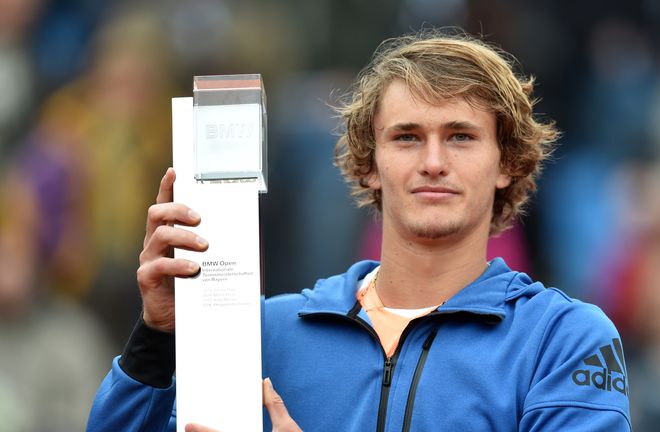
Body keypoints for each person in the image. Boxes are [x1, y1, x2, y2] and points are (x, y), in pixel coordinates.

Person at [87, 30, 631, 431]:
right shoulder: (261, 332)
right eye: (407, 137)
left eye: (461, 136)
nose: (434, 161)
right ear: (369, 163)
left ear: (507, 161)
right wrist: (157, 341)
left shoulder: (563, 341)